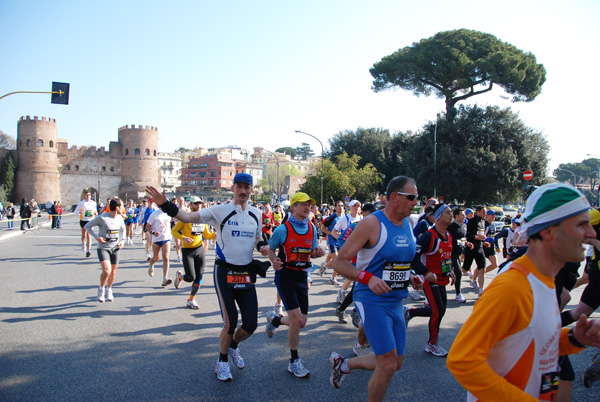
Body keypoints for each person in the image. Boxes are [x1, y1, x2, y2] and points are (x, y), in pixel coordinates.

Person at [447, 183, 600, 401]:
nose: (591, 232)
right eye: (581, 224)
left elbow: (537, 344)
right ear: (548, 231)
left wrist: (575, 339)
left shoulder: (544, 280)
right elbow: (462, 360)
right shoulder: (512, 286)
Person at [145, 173, 270, 382]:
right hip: (225, 272)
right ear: (233, 188)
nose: (243, 191)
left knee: (251, 325)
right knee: (230, 324)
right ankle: (221, 362)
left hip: (246, 273)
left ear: (251, 190)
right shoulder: (219, 211)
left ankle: (232, 347)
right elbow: (186, 218)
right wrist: (165, 204)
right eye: (239, 186)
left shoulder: (256, 213)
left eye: (247, 187)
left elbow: (258, 237)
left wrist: (262, 247)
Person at [328, 176, 419, 402]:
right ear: (395, 197)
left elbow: (397, 262)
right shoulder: (371, 224)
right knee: (387, 364)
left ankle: (344, 364)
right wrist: (367, 278)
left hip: (396, 300)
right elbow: (340, 262)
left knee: (396, 363)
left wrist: (411, 276)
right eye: (412, 197)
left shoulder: (408, 224)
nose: (416, 202)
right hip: (371, 299)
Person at [264, 192, 325, 377]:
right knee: (297, 321)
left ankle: (275, 320)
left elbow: (311, 253)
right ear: (293, 207)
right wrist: (274, 261)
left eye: (309, 204)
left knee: (302, 322)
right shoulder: (283, 229)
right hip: (286, 276)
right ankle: (294, 361)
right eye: (302, 204)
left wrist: (318, 253)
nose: (307, 208)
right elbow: (270, 249)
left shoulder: (312, 229)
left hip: (302, 276)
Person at [404, 204, 456, 356]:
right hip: (430, 280)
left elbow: (446, 257)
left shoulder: (448, 235)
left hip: (442, 279)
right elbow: (413, 256)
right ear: (438, 216)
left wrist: (450, 270)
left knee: (440, 311)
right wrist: (425, 273)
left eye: (451, 212)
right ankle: (432, 344)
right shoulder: (429, 236)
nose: (451, 215)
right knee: (437, 311)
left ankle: (410, 312)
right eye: (448, 213)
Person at [171, 196, 215, 309]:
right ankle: (180, 276)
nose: (198, 205)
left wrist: (216, 234)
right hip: (187, 250)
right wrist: (183, 238)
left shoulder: (203, 219)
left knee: (199, 277)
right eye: (196, 203)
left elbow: (206, 235)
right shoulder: (186, 218)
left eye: (200, 203)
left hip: (199, 249)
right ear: (191, 205)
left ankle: (191, 299)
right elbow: (174, 231)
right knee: (190, 277)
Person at [85, 198, 126, 302]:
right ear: (117, 208)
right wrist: (96, 237)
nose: (122, 208)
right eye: (121, 206)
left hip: (115, 247)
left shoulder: (120, 219)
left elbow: (123, 230)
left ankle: (109, 289)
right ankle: (101, 289)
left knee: (113, 272)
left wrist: (122, 241)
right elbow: (87, 226)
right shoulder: (102, 218)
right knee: (107, 271)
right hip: (103, 247)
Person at [462, 205, 488, 298]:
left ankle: (481, 290)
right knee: (464, 269)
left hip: (479, 248)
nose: (485, 214)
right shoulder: (472, 221)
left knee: (482, 268)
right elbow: (467, 235)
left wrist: (484, 242)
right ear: (478, 212)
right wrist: (477, 238)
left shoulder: (483, 222)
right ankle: (453, 272)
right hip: (471, 248)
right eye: (484, 212)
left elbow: (481, 234)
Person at [146, 204, 173, 286]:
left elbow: (172, 219)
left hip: (166, 238)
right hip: (157, 239)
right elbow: (147, 226)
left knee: (166, 257)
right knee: (156, 257)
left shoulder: (169, 213)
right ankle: (151, 263)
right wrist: (153, 232)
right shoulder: (154, 214)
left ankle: (165, 278)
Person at [447, 208, 471, 303]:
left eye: (464, 215)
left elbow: (463, 239)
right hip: (450, 253)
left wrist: (467, 243)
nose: (464, 216)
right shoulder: (450, 227)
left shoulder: (464, 226)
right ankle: (458, 294)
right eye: (462, 215)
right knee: (458, 272)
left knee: (454, 273)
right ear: (456, 216)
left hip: (459, 253)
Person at [74, 191, 98, 257]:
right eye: (87, 195)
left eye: (89, 195)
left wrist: (96, 213)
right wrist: (80, 213)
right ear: (85, 196)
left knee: (89, 236)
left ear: (91, 196)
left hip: (90, 220)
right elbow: (76, 210)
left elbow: (95, 210)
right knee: (84, 235)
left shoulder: (93, 203)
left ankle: (88, 250)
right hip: (83, 220)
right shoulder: (82, 203)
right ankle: (83, 243)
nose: (88, 196)